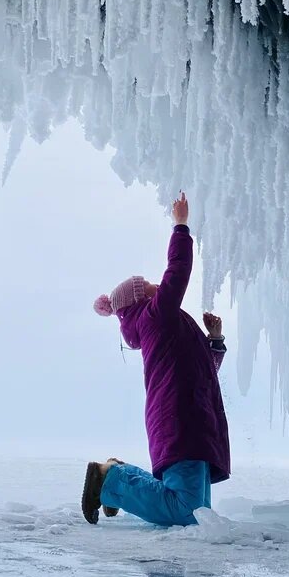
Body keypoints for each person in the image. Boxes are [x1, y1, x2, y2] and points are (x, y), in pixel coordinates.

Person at [84, 192, 231, 526]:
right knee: (186, 512)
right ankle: (112, 479)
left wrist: (215, 341)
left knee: (197, 516)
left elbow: (203, 371)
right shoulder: (155, 316)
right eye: (148, 284)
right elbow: (177, 272)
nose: (155, 285)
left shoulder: (168, 324)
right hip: (181, 420)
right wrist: (180, 226)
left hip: (193, 420)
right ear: (139, 299)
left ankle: (118, 477)